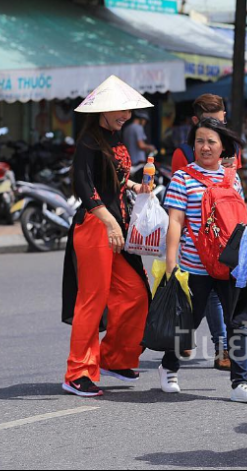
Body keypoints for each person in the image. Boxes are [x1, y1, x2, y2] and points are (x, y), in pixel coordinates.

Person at [61, 75, 153, 397]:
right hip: (95, 226)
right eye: (119, 109)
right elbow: (85, 187)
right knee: (93, 299)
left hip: (116, 228)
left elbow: (113, 178)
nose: (125, 115)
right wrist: (110, 223)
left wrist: (135, 186)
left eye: (128, 110)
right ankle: (77, 373)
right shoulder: (88, 142)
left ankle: (113, 358)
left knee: (136, 294)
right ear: (101, 109)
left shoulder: (114, 139)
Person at [161, 117, 247, 403]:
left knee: (238, 321)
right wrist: (171, 265)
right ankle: (169, 367)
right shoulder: (182, 178)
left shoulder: (233, 178)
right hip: (195, 266)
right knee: (187, 323)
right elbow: (175, 222)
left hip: (230, 264)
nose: (205, 147)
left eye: (211, 142)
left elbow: (240, 221)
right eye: (199, 141)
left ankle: (240, 383)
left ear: (222, 147)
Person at [170, 93, 231, 372]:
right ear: (195, 124)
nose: (218, 128)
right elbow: (179, 210)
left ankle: (225, 351)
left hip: (223, 244)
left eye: (221, 122)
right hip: (194, 244)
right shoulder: (183, 156)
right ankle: (177, 350)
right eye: (210, 124)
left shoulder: (229, 150)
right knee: (196, 302)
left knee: (217, 299)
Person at [171, 94, 227, 174]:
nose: (216, 128)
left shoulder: (233, 148)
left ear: (224, 116)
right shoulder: (184, 154)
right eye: (208, 123)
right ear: (195, 121)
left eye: (220, 122)